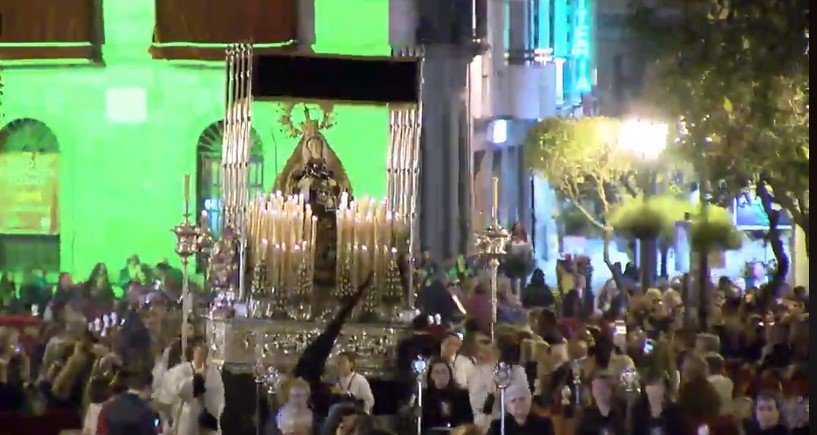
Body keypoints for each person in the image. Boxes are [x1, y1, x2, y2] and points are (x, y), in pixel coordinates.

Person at [166, 335, 225, 435]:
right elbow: (180, 391)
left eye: (205, 349)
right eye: (199, 348)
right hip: (186, 424)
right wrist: (199, 378)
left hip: (207, 427)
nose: (202, 353)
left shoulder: (214, 374)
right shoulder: (181, 371)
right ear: (193, 350)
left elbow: (219, 400)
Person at [96, 369, 159, 435]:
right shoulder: (146, 411)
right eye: (151, 389)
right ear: (146, 388)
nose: (151, 393)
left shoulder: (106, 408)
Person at [422, 358, 473, 432]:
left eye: (444, 372)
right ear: (430, 376)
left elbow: (467, 421)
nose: (441, 375)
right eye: (436, 372)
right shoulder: (425, 395)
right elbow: (424, 421)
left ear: (450, 374)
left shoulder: (462, 395)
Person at [487, 383, 554, 434]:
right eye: (513, 400)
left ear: (530, 401)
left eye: (522, 399)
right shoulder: (497, 427)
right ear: (507, 407)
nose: (518, 403)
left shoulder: (544, 424)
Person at [632, 369, 683, 435]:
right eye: (651, 385)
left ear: (665, 389)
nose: (654, 389)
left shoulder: (675, 411)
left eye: (658, 385)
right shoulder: (639, 410)